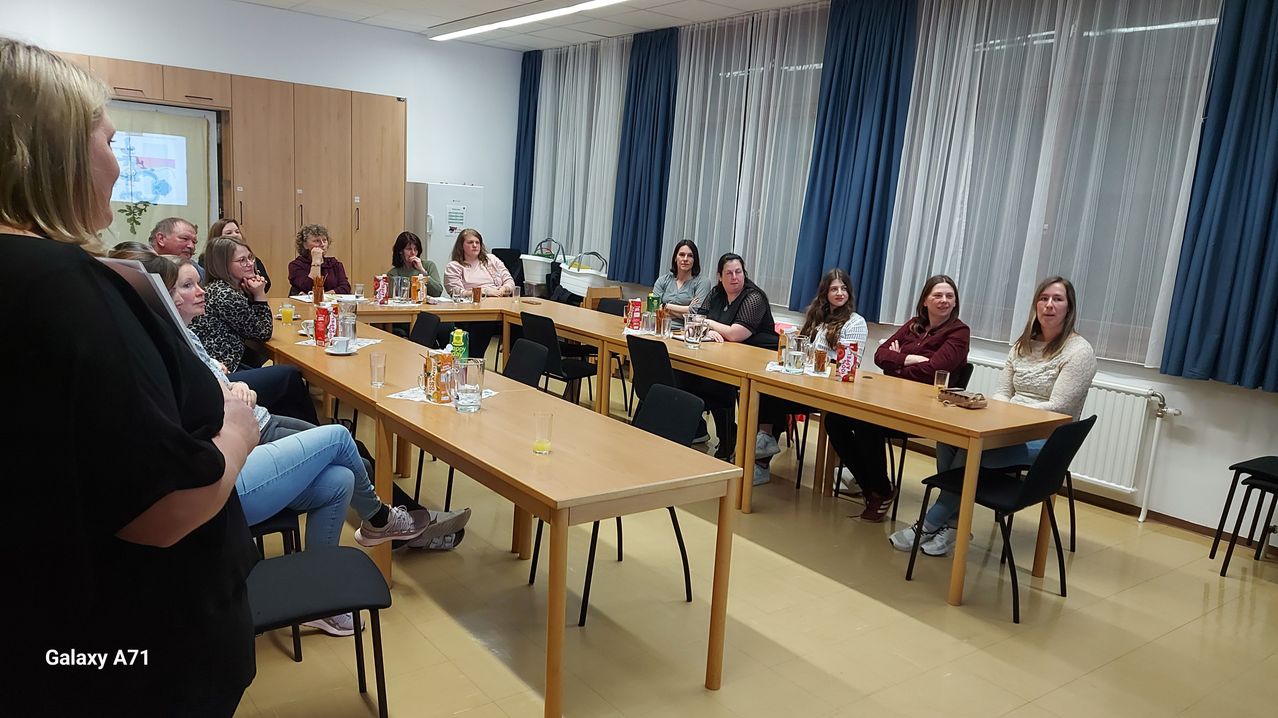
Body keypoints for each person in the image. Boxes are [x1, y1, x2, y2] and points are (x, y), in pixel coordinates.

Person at [3, 38, 256, 714]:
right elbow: (162, 508)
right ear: (54, 151)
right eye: (110, 143)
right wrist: (237, 431)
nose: (118, 167)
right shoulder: (68, 291)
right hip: (132, 652)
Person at [161, 259, 471, 624]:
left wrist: (237, 385)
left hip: (245, 437)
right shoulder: (171, 348)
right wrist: (230, 389)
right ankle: (380, 518)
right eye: (187, 286)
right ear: (165, 296)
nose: (201, 292)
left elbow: (220, 385)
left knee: (340, 478)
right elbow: (208, 402)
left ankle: (318, 601)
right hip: (229, 472)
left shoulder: (184, 335)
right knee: (338, 437)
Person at [889, 276, 1095, 556]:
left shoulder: (1079, 351)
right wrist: (1002, 417)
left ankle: (928, 524)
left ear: (1069, 308)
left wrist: (1009, 416)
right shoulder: (1022, 345)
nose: (1049, 305)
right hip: (1008, 427)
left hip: (1046, 440)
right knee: (949, 440)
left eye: (1057, 299)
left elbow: (1058, 407)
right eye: (1043, 299)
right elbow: (1002, 393)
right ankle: (953, 527)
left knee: (972, 452)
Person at [826, 274, 968, 521]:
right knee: (835, 420)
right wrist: (910, 359)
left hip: (926, 408)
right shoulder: (914, 325)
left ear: (955, 302)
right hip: (894, 399)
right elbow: (880, 355)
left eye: (949, 296)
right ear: (925, 300)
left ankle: (880, 491)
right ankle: (870, 486)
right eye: (937, 295)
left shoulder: (959, 332)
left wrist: (897, 365)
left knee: (867, 423)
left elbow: (935, 369)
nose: (944, 300)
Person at [752, 269, 869, 487]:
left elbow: (849, 362)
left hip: (830, 390)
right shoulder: (817, 317)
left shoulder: (855, 322)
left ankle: (761, 459)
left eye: (844, 289)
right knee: (767, 390)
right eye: (834, 289)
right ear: (825, 293)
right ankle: (764, 444)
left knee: (776, 399)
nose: (840, 293)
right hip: (806, 383)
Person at [679, 253, 780, 461]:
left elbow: (736, 334)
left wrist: (708, 324)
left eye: (738, 272)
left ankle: (731, 440)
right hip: (726, 356)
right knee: (692, 376)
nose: (735, 277)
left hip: (759, 359)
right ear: (719, 276)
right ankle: (724, 435)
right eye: (729, 273)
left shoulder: (754, 297)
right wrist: (708, 330)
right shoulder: (716, 293)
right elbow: (696, 320)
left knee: (717, 383)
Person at [190, 235, 273, 372]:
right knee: (289, 373)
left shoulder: (217, 287)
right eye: (242, 260)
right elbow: (263, 333)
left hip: (221, 362)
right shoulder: (226, 295)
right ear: (223, 265)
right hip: (220, 370)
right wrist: (259, 295)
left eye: (250, 257)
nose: (250, 263)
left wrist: (250, 294)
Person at [443, 228, 514, 358]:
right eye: (470, 242)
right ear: (461, 246)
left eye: (477, 242)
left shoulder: (491, 260)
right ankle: (474, 359)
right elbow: (456, 292)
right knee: (484, 323)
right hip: (473, 312)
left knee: (521, 324)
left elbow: (509, 281)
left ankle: (515, 363)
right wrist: (485, 292)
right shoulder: (454, 266)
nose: (475, 245)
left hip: (500, 305)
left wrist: (503, 289)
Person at [653, 240, 710, 330]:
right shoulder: (662, 280)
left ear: (694, 260)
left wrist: (665, 306)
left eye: (690, 256)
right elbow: (654, 308)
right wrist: (688, 309)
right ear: (675, 258)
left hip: (685, 332)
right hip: (660, 329)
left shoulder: (703, 282)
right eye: (682, 255)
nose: (685, 259)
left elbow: (697, 315)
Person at [209, 217, 270, 292]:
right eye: (229, 233)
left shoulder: (251, 258)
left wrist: (256, 284)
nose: (235, 235)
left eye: (237, 232)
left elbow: (267, 283)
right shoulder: (222, 290)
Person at [287, 223, 351, 295]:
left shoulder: (335, 264)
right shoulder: (296, 265)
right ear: (305, 245)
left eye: (324, 240)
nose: (322, 244)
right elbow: (310, 287)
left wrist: (323, 296)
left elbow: (346, 288)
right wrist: (316, 261)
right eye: (317, 241)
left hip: (331, 302)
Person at [388, 230, 443, 297]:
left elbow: (438, 292)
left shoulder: (429, 265)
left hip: (426, 304)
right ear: (400, 251)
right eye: (409, 249)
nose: (413, 253)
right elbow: (392, 297)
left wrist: (423, 272)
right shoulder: (393, 273)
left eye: (416, 249)